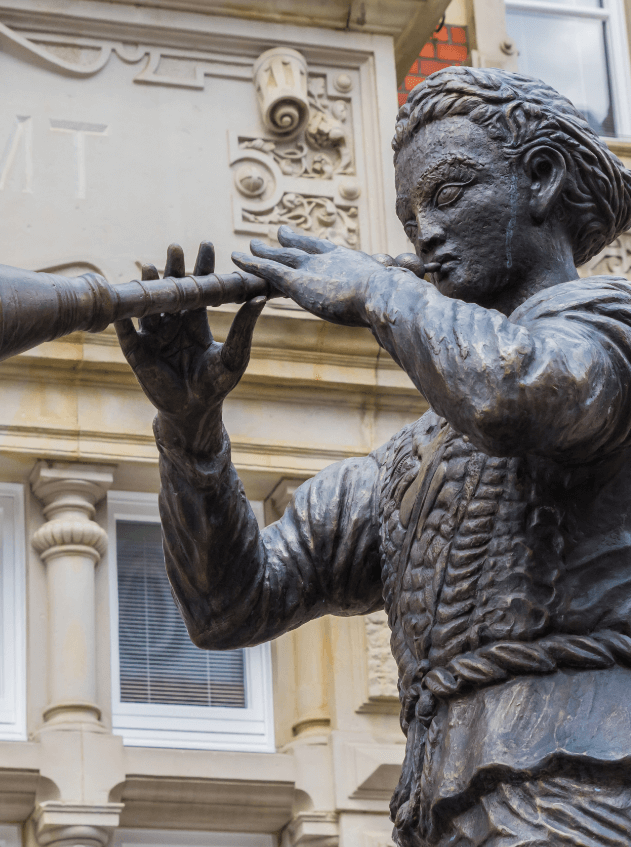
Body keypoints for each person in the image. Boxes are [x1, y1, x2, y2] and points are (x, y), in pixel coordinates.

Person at [114, 66, 631, 847]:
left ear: (539, 178)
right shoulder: (406, 464)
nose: (422, 233)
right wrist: (190, 429)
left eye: (448, 194)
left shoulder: (607, 326)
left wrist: (373, 293)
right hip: (444, 815)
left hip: (583, 789)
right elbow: (228, 604)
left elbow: (515, 393)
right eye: (408, 212)